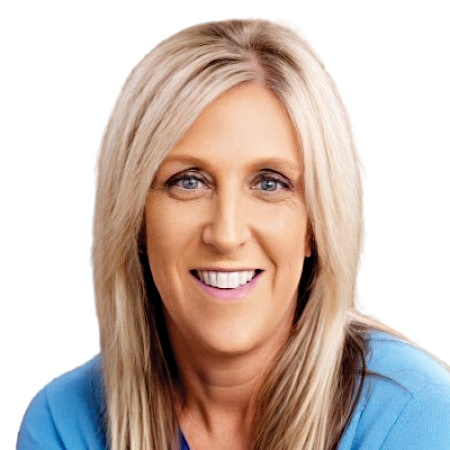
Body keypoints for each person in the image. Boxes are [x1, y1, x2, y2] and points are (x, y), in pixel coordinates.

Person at [17, 19, 450, 450]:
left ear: (316, 225)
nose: (226, 235)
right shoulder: (64, 424)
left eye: (269, 183)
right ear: (137, 219)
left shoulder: (416, 418)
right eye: (189, 181)